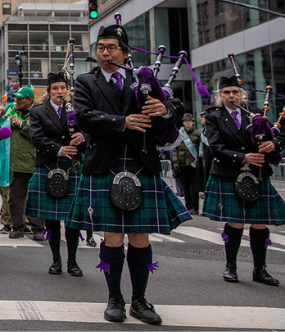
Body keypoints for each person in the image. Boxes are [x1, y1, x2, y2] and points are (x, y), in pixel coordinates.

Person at [66, 24, 190, 326]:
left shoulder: (141, 79)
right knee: (112, 236)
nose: (105, 52)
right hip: (105, 163)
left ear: (125, 52)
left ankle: (139, 300)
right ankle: (114, 299)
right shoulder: (85, 81)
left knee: (139, 236)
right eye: (100, 47)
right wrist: (123, 122)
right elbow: (84, 116)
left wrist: (164, 109)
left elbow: (175, 104)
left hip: (140, 162)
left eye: (111, 47)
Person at [202, 76, 285, 286]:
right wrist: (243, 157)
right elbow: (215, 146)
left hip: (257, 174)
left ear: (242, 94)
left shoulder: (256, 115)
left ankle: (260, 269)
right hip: (229, 173)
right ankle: (231, 266)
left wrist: (273, 145)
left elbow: (278, 135)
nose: (232, 96)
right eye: (227, 92)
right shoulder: (214, 117)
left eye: (235, 92)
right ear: (220, 96)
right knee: (235, 222)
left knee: (259, 223)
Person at [26, 72, 87, 276]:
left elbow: (90, 130)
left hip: (71, 167)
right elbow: (36, 137)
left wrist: (82, 136)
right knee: (52, 220)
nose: (59, 92)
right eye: (55, 88)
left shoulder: (76, 111)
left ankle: (73, 261)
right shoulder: (38, 112)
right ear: (49, 91)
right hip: (49, 165)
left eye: (62, 88)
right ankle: (56, 260)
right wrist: (59, 149)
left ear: (66, 90)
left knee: (72, 219)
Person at [6, 86, 46, 241]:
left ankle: (38, 228)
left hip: (33, 161)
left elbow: (38, 132)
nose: (16, 100)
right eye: (16, 97)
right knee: (14, 197)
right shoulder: (12, 112)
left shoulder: (38, 112)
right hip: (16, 163)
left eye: (20, 98)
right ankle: (17, 227)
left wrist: (21, 124)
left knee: (35, 197)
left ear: (29, 100)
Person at [173, 113, 201, 215]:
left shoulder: (198, 134)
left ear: (193, 122)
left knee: (194, 188)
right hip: (182, 164)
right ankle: (188, 206)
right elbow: (175, 148)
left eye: (189, 121)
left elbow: (201, 149)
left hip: (194, 165)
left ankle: (195, 207)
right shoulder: (179, 134)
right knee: (185, 187)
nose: (188, 123)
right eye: (186, 121)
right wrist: (175, 161)